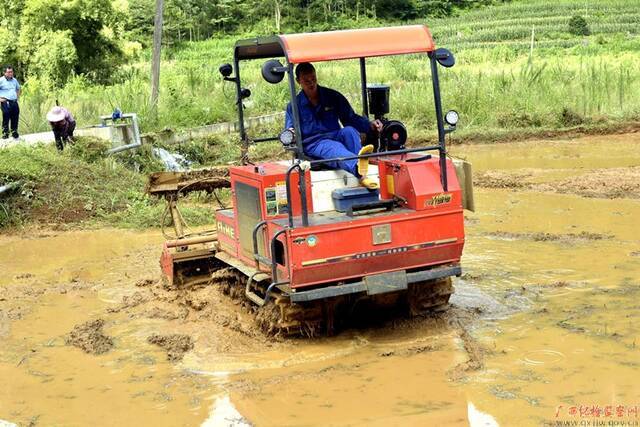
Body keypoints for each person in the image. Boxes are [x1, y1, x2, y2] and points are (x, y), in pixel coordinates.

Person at [285, 62, 383, 189]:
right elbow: (289, 130)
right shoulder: (294, 105)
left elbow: (350, 117)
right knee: (334, 147)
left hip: (335, 135)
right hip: (314, 143)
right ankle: (358, 170)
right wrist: (291, 133)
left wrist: (370, 125)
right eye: (306, 81)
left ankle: (359, 165)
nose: (311, 83)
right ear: (298, 81)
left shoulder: (332, 96)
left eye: (313, 79)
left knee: (349, 131)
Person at [0, 66, 21, 140]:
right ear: (4, 73)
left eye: (11, 72)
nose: (10, 73)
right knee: (6, 117)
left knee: (15, 117)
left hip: (14, 102)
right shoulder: (1, 80)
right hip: (5, 102)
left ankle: (14, 133)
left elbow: (18, 89)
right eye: (8, 72)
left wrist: (17, 97)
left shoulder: (14, 80)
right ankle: (5, 135)